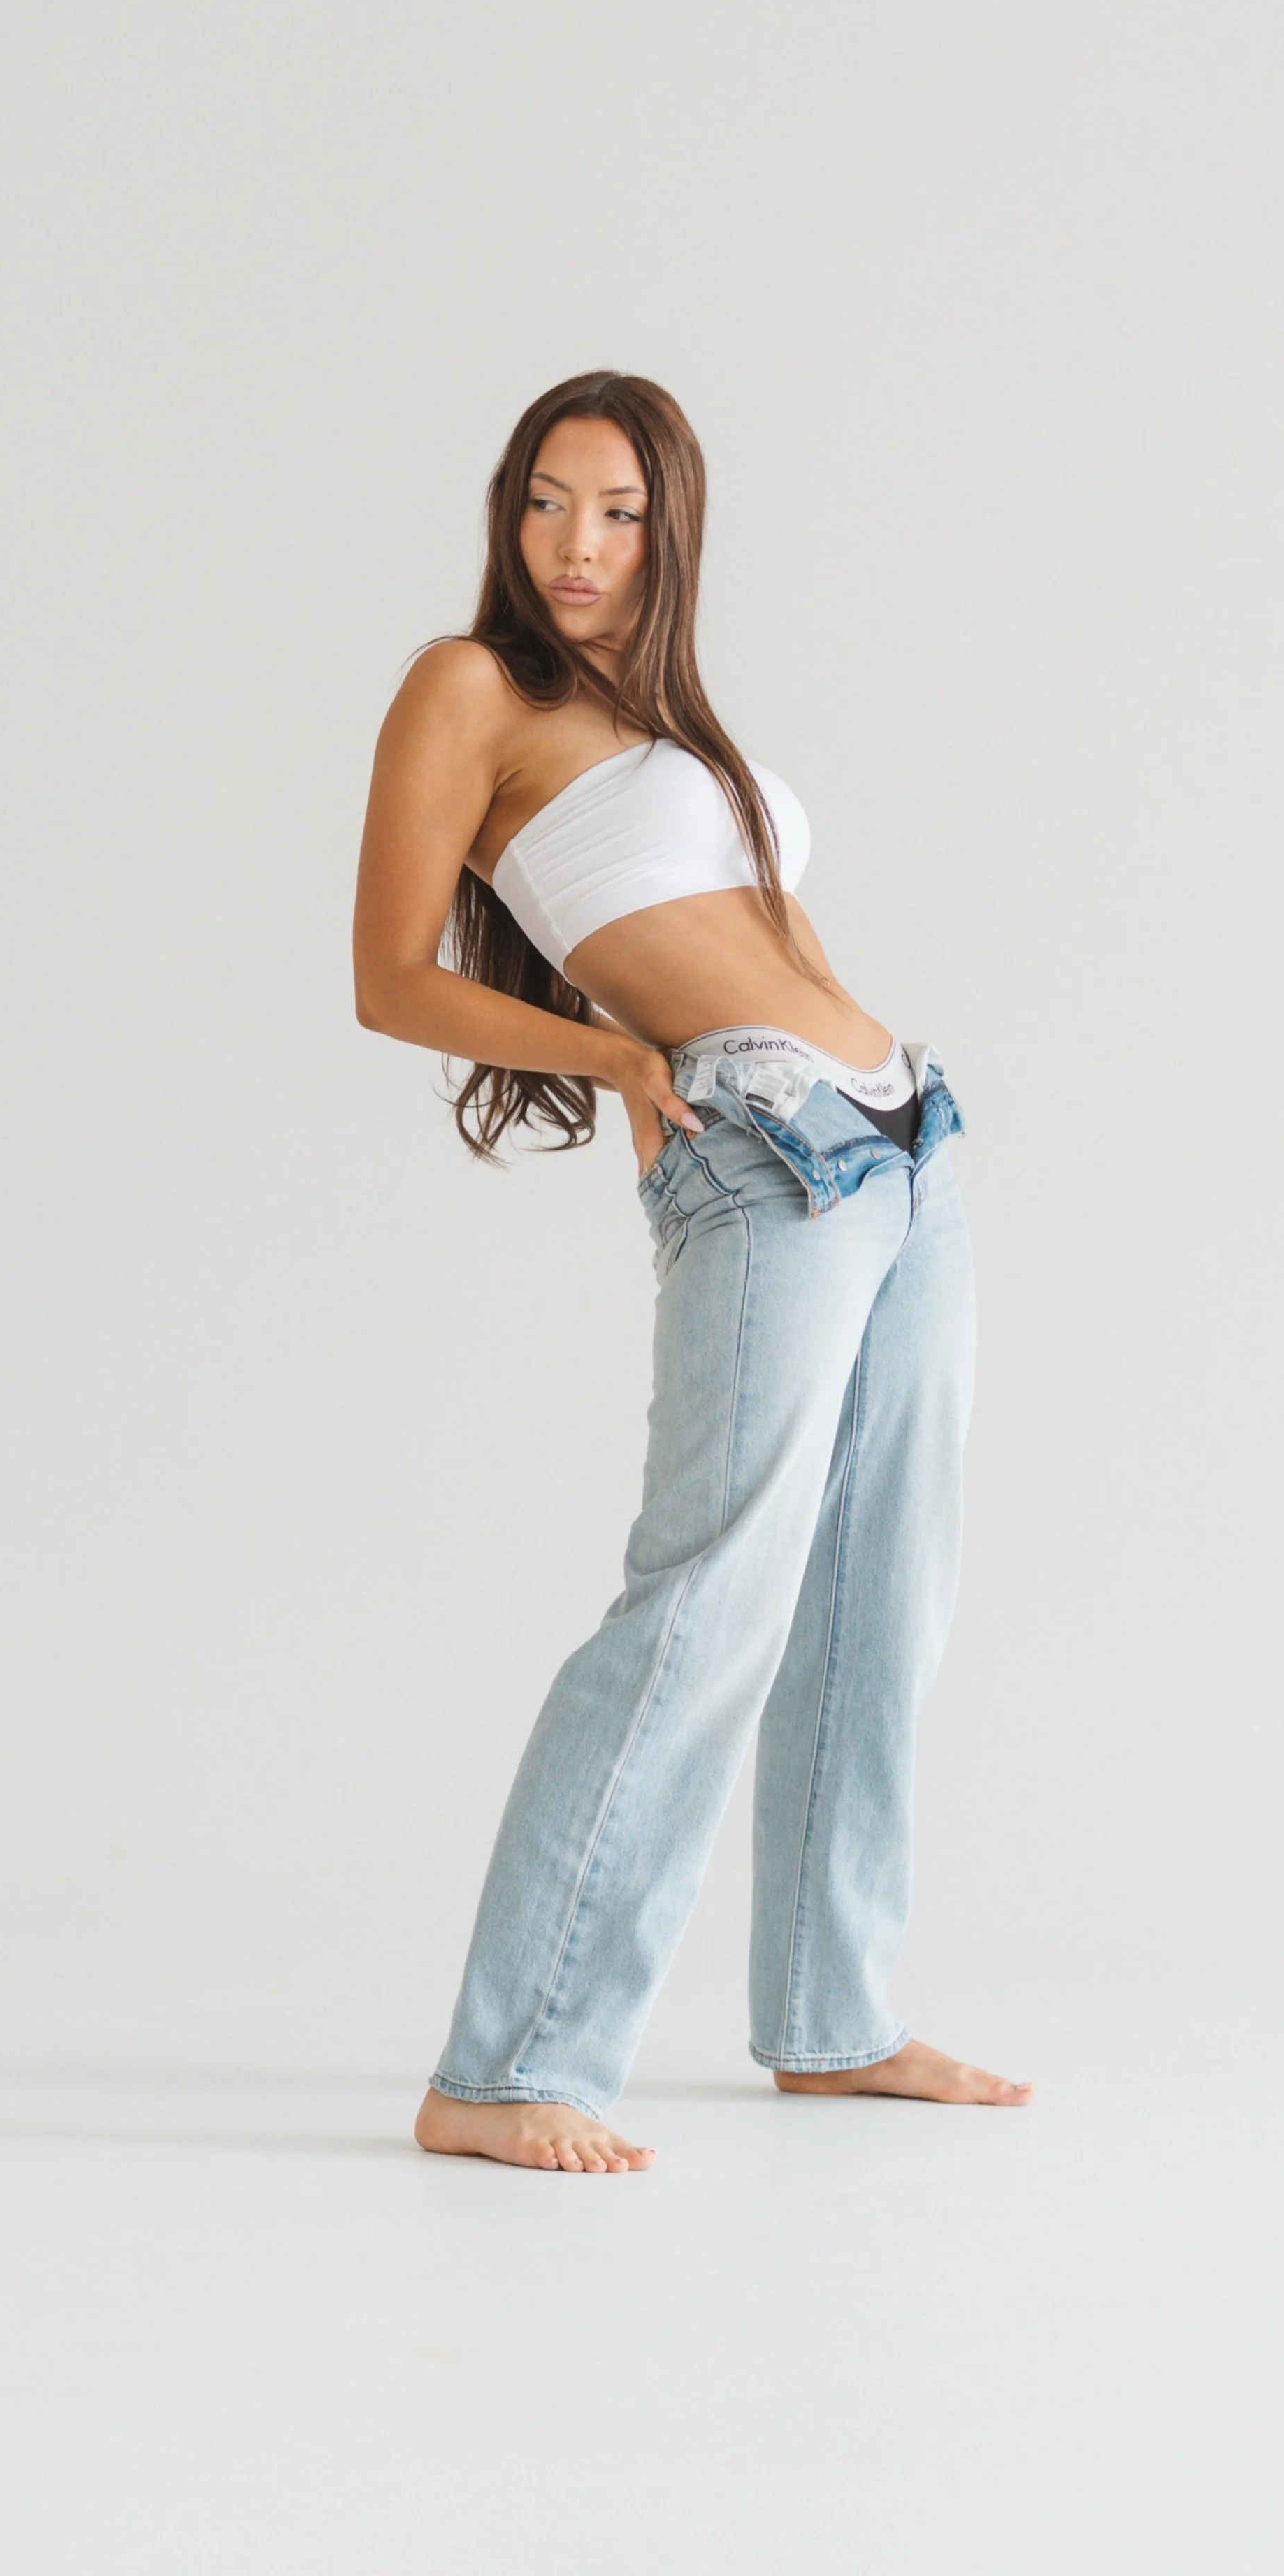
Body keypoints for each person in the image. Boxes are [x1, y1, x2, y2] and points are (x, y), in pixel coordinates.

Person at [352, 370, 1032, 2173]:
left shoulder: (674, 726)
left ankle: (836, 2018)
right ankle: (503, 2067)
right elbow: (390, 974)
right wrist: (622, 1061)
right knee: (706, 1596)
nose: (579, 545)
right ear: (508, 512)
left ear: (671, 534)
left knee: (884, 1586)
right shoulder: (467, 689)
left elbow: (774, 931)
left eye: (622, 513)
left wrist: (860, 1067)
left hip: (903, 1136)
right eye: (549, 503)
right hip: (762, 1157)